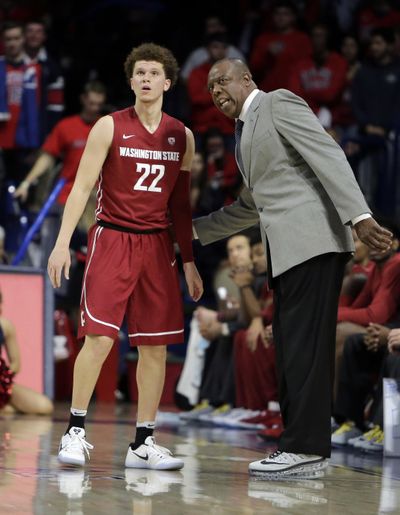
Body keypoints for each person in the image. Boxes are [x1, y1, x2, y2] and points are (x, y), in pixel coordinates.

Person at [193, 57, 392, 477]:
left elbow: (328, 154)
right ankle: (303, 447)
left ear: (247, 78)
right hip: (289, 250)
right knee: (290, 350)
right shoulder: (242, 132)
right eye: (210, 88)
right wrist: (191, 232)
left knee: (303, 350)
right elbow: (251, 207)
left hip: (312, 242)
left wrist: (360, 217)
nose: (216, 92)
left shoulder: (277, 103)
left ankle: (305, 448)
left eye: (222, 81)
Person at [47, 43, 203, 470]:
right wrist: (62, 243)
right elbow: (80, 188)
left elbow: (181, 206)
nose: (147, 79)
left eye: (154, 73)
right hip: (112, 238)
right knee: (98, 339)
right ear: (131, 81)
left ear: (167, 82)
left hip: (157, 246)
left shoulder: (182, 136)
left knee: (153, 348)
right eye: (140, 73)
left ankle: (143, 443)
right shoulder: (109, 127)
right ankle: (74, 432)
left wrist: (188, 260)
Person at [14, 80, 107, 205]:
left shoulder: (108, 126)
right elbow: (47, 157)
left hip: (98, 195)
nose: (95, 108)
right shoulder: (66, 126)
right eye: (91, 103)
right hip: (69, 193)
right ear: (83, 99)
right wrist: (26, 183)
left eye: (99, 105)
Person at [0, 288, 53, 415]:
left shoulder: (5, 326)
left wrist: (4, 377)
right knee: (9, 410)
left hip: (1, 383)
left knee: (44, 406)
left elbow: (16, 364)